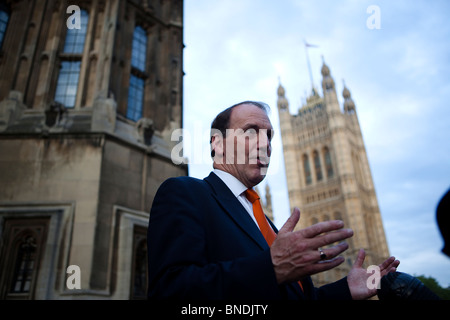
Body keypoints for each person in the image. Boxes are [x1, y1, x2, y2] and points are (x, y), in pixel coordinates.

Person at [147, 101, 399, 300]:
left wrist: (347, 289)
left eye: (269, 136)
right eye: (251, 132)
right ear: (218, 143)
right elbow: (171, 291)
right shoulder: (186, 193)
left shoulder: (267, 225)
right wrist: (270, 268)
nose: (265, 144)